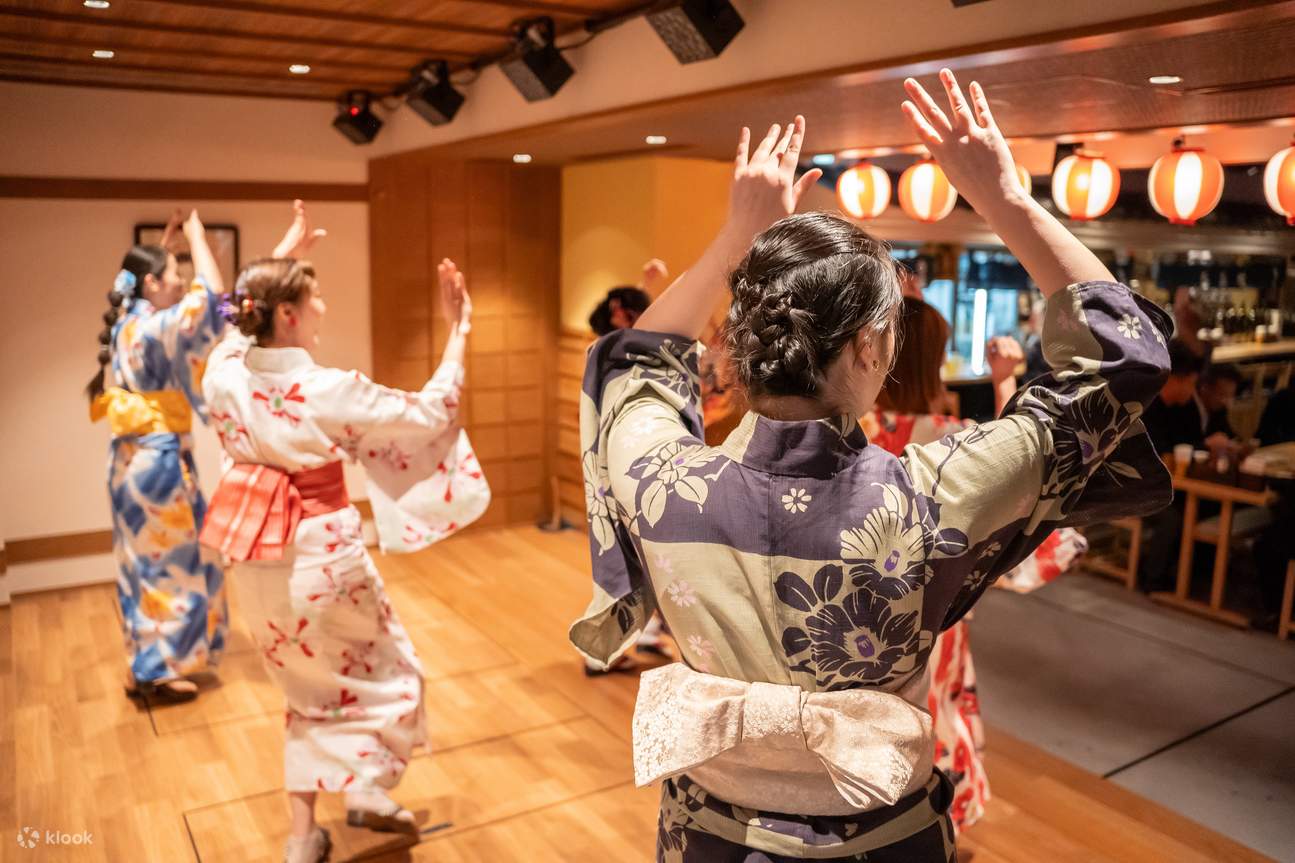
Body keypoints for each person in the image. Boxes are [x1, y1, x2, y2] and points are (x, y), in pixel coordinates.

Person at [571, 70, 1172, 862]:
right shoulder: (929, 495)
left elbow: (632, 367)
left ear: (741, 341)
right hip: (879, 844)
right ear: (870, 346)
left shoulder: (662, 478)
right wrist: (1002, 197)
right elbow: (1121, 359)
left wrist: (734, 236)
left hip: (706, 840)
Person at [200, 202, 489, 863]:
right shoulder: (322, 388)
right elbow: (429, 411)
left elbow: (232, 321)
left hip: (257, 560)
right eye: (315, 294)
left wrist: (284, 247)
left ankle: (308, 835)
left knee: (306, 693)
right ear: (289, 315)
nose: (324, 305)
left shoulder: (224, 372)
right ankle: (365, 786)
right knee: (392, 675)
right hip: (321, 559)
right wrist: (458, 329)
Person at [865, 299, 1088, 832]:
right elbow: (1021, 485)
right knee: (934, 720)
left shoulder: (856, 430)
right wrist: (1005, 385)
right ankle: (927, 825)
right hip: (938, 620)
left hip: (860, 618)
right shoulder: (954, 436)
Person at [89, 208, 228, 704]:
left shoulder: (128, 319)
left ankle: (147, 661)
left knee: (140, 565)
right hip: (159, 464)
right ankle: (158, 669)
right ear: (152, 284)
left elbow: (123, 282)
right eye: (174, 274)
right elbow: (212, 302)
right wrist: (193, 235)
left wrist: (165, 245)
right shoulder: (157, 328)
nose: (181, 281)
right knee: (171, 563)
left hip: (129, 462)